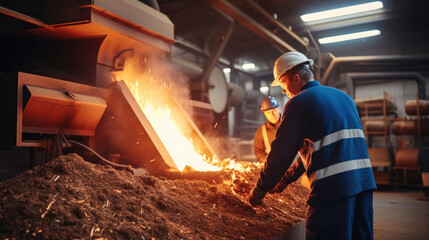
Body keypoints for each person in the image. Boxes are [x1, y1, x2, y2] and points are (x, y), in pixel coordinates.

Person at [247, 51, 377, 239]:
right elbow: (315, 151)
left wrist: (259, 190)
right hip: (364, 185)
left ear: (296, 79)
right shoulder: (344, 98)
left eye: (284, 87)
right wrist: (284, 181)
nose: (285, 93)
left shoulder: (299, 103)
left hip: (333, 190)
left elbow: (281, 154)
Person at [253, 96, 282, 163]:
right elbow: (258, 152)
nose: (272, 115)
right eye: (268, 112)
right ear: (264, 114)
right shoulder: (260, 132)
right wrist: (268, 162)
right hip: (273, 169)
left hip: (293, 167)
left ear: (279, 109)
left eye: (274, 111)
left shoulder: (291, 125)